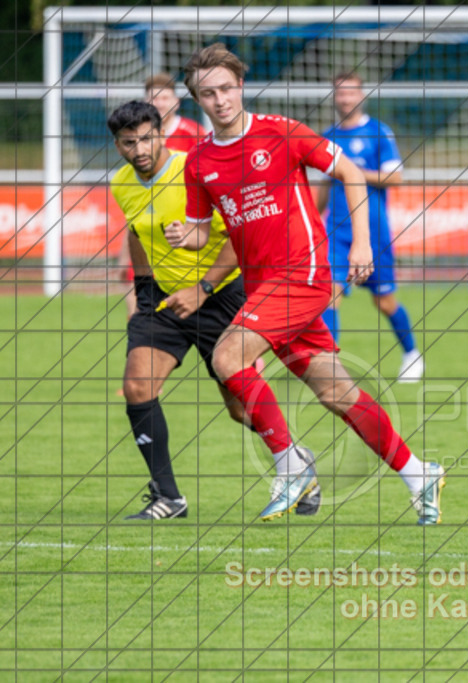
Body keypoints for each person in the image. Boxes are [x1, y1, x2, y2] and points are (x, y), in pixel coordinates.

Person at [165, 43, 445, 523]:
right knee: (336, 392)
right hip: (263, 287)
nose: (221, 100)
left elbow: (350, 171)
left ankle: (291, 467)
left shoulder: (281, 132)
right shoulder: (199, 162)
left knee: (228, 356)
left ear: (241, 87)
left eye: (227, 88)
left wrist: (360, 245)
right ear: (197, 99)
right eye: (208, 93)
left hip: (304, 272)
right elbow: (205, 232)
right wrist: (184, 236)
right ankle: (419, 474)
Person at [108, 100, 305, 519]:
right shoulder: (121, 184)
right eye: (129, 143)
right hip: (163, 301)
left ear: (162, 133)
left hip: (220, 296)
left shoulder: (195, 170)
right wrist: (143, 292)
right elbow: (138, 235)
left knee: (239, 409)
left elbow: (241, 236)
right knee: (137, 387)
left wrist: (204, 286)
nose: (140, 149)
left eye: (147, 138)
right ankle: (168, 497)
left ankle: (293, 458)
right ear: (118, 145)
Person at [317, 70, 424, 383]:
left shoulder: (378, 132)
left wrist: (355, 172)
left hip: (373, 234)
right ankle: (329, 363)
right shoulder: (327, 137)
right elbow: (324, 184)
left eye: (350, 92)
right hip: (336, 233)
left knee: (384, 301)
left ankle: (411, 353)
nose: (345, 98)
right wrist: (312, 219)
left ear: (361, 95)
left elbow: (396, 176)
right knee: (329, 294)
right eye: (340, 92)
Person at [120, 74, 209, 320]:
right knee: (134, 289)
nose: (158, 103)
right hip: (148, 229)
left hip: (189, 230)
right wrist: (123, 252)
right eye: (152, 98)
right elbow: (132, 203)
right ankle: (138, 332)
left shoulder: (193, 133)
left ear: (176, 102)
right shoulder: (135, 142)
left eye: (164, 97)